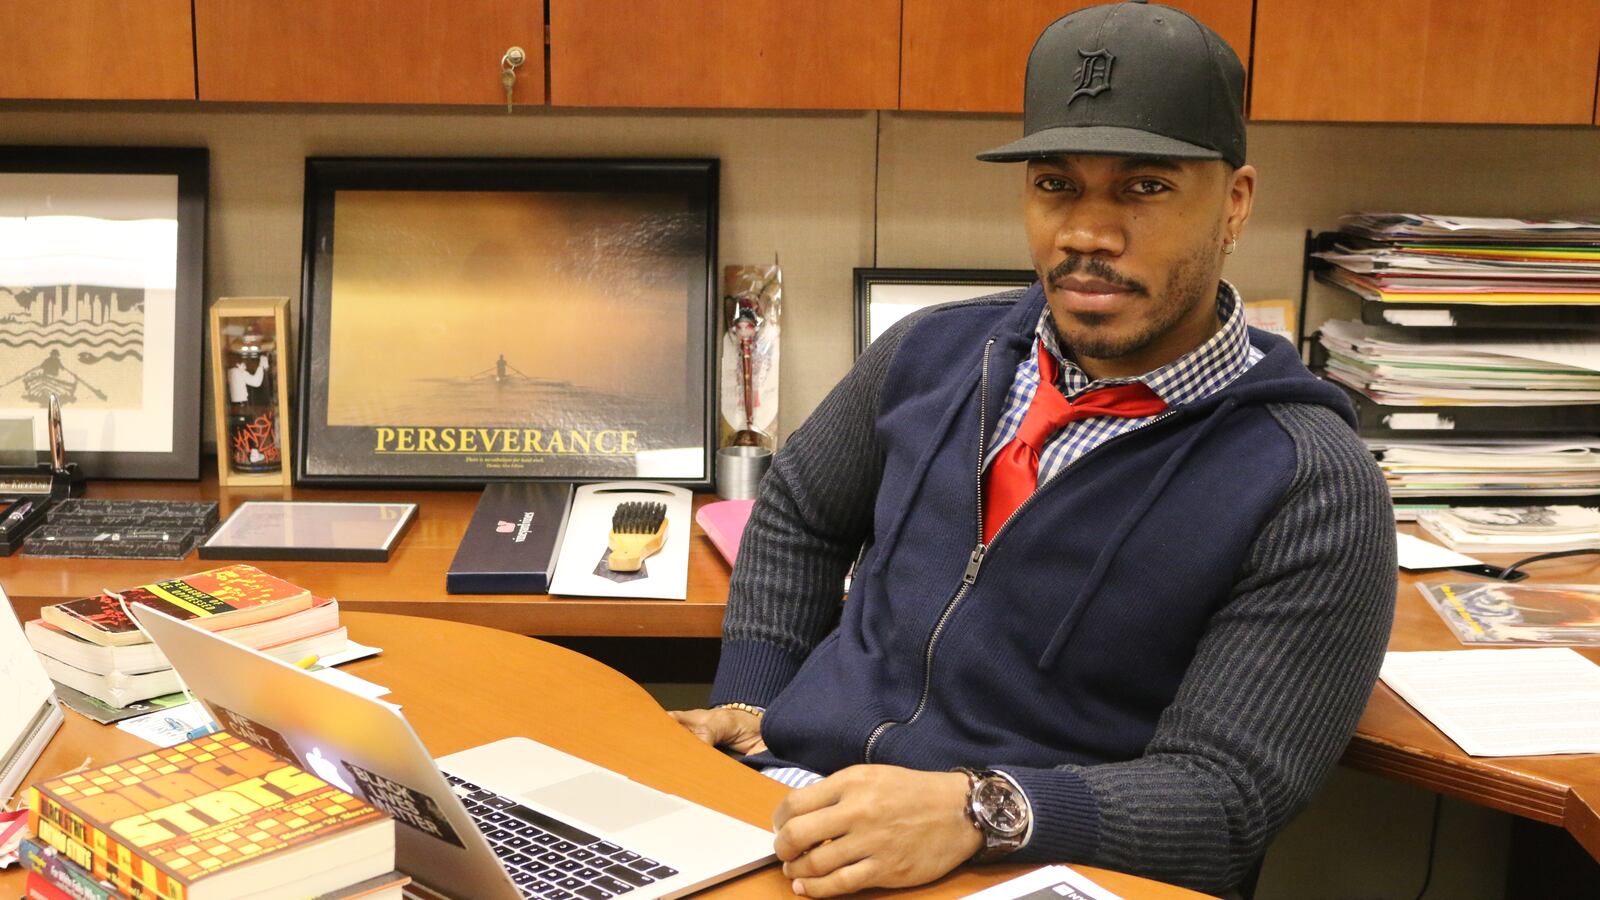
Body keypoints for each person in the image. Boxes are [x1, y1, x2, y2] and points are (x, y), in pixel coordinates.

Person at [670, 2, 1397, 896]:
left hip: (1032, 868)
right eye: (1057, 184)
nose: (1088, 232)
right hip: (791, 816)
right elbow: (797, 514)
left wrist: (982, 811)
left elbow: (1226, 800)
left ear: (1235, 204)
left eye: (1145, 187)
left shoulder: (1309, 484)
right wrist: (752, 701)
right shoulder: (931, 355)